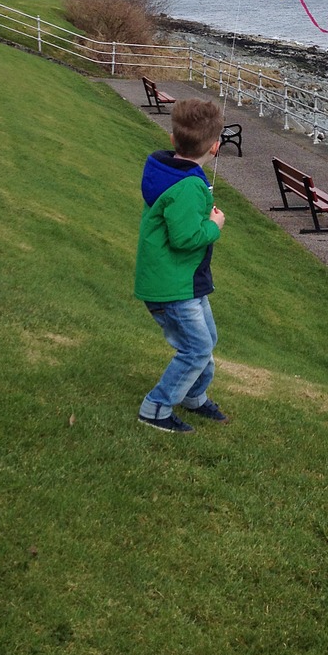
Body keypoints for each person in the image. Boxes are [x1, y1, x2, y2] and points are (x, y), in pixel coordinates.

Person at [134, 98, 229, 433]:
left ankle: (193, 394)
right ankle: (156, 408)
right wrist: (214, 225)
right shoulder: (187, 185)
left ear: (173, 140)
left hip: (185, 281)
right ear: (215, 147)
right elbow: (185, 238)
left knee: (207, 339)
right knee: (196, 348)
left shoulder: (169, 169)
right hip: (172, 286)